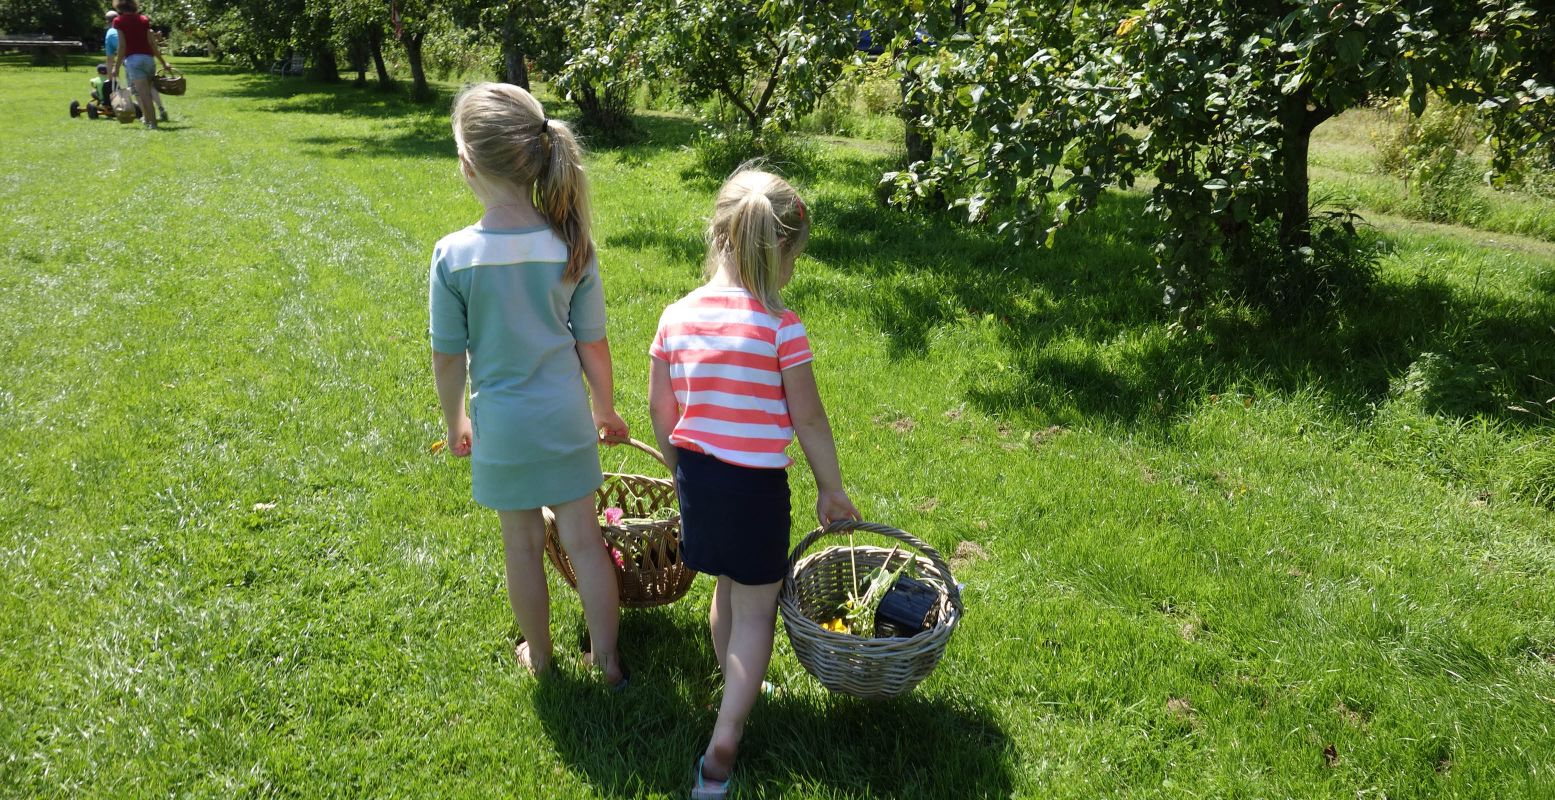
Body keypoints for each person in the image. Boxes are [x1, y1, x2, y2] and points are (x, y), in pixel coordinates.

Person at [647, 168, 860, 798]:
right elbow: (809, 418)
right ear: (777, 253)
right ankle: (725, 741)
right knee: (756, 610)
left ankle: (736, 684)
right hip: (756, 490)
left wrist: (675, 465)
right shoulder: (780, 325)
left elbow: (662, 409)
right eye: (793, 258)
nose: (793, 272)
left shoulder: (675, 316)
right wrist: (831, 488)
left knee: (725, 587)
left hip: (699, 481)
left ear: (719, 238)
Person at [428, 82, 629, 688]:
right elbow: (592, 343)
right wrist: (606, 408)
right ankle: (609, 663)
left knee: (521, 547)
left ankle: (539, 658)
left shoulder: (453, 256)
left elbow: (447, 355)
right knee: (586, 542)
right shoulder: (571, 243)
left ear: (468, 165)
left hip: (504, 430)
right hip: (566, 419)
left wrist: (454, 420)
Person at [110, 1, 169, 128]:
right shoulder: (144, 19)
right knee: (146, 91)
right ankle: (147, 119)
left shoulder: (118, 21)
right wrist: (163, 62)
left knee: (143, 94)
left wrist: (116, 66)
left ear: (119, 6)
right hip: (148, 59)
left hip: (133, 60)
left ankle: (153, 123)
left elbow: (122, 46)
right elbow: (152, 44)